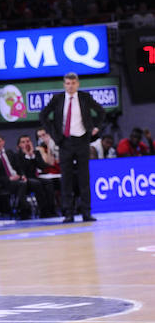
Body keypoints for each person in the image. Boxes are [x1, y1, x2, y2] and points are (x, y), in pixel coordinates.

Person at [38, 72, 105, 222]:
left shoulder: (85, 97)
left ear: (78, 84)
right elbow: (43, 115)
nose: (70, 86)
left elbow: (101, 112)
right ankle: (68, 213)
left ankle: (86, 212)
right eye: (68, 83)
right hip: (65, 142)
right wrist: (55, 135)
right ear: (64, 84)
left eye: (73, 83)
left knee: (84, 177)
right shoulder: (57, 99)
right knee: (66, 179)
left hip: (82, 140)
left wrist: (96, 128)